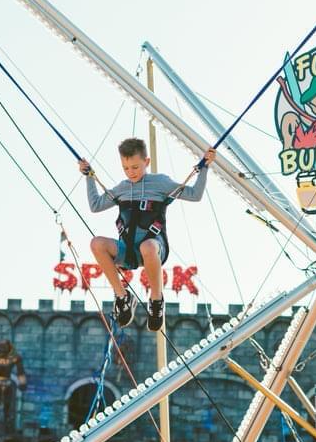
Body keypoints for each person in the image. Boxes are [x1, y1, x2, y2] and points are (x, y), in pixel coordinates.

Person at [79, 137, 216, 331]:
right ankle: (122, 296)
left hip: (155, 248)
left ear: (147, 162)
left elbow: (195, 195)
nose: (131, 173)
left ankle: (156, 300)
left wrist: (204, 168)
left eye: (135, 167)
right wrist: (89, 177)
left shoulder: (160, 183)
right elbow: (96, 205)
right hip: (127, 251)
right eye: (126, 168)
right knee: (96, 243)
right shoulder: (122, 188)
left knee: (147, 246)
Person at [0, 339, 26, 426]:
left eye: (4, 347)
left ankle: (6, 422)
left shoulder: (14, 358)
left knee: (7, 404)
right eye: (0, 347)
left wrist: (22, 383)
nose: (2, 349)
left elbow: (20, 371)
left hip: (7, 382)